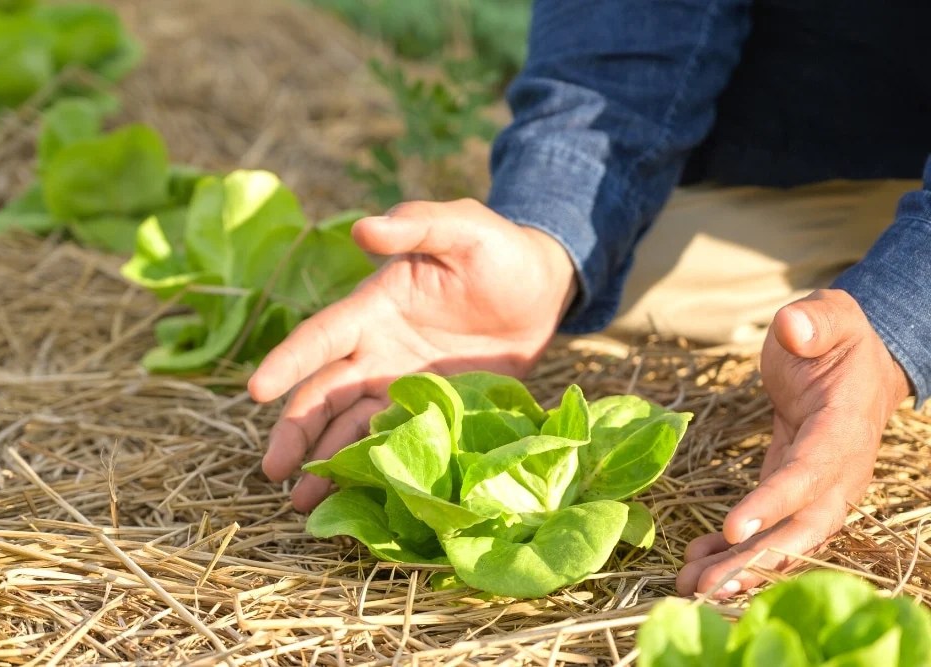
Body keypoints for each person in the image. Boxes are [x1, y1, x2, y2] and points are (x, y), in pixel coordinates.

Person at [248, 0, 931, 599]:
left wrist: (897, 320)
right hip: (820, 142)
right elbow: (622, 41)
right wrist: (549, 238)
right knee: (630, 287)